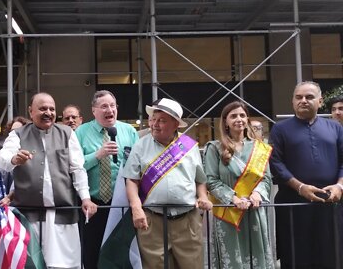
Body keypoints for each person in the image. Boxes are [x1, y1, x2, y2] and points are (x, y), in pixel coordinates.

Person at [0, 92, 97, 269]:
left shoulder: (67, 133)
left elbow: (77, 169)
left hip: (63, 213)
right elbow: (2, 159)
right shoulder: (18, 134)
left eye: (52, 109)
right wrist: (14, 159)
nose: (48, 112)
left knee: (65, 264)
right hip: (30, 214)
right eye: (42, 108)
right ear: (31, 111)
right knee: (30, 263)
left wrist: (85, 198)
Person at [124, 98, 212, 268]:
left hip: (187, 220)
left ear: (176, 124)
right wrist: (136, 208)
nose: (155, 124)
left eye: (162, 120)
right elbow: (132, 180)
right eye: (153, 119)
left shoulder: (189, 146)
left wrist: (202, 196)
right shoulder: (140, 146)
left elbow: (200, 179)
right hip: (152, 220)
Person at [269, 81, 343, 269]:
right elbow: (275, 162)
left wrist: (339, 186)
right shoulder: (279, 129)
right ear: (293, 102)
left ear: (320, 101)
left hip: (330, 203)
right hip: (293, 204)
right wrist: (300, 187)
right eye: (298, 97)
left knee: (332, 256)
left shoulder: (335, 128)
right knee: (295, 257)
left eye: (309, 97)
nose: (303, 100)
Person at [204, 101, 274, 269]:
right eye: (233, 116)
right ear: (225, 121)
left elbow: (266, 178)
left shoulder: (259, 148)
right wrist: (233, 198)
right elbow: (211, 180)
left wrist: (257, 193)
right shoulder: (214, 148)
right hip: (228, 213)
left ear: (247, 119)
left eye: (242, 115)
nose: (239, 119)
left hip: (254, 211)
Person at [75, 90, 139, 269]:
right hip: (92, 205)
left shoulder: (128, 131)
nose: (109, 110)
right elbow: (74, 167)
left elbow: (137, 167)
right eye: (104, 106)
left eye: (112, 106)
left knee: (119, 252)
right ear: (94, 110)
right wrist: (97, 155)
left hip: (121, 203)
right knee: (92, 252)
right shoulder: (81, 132)